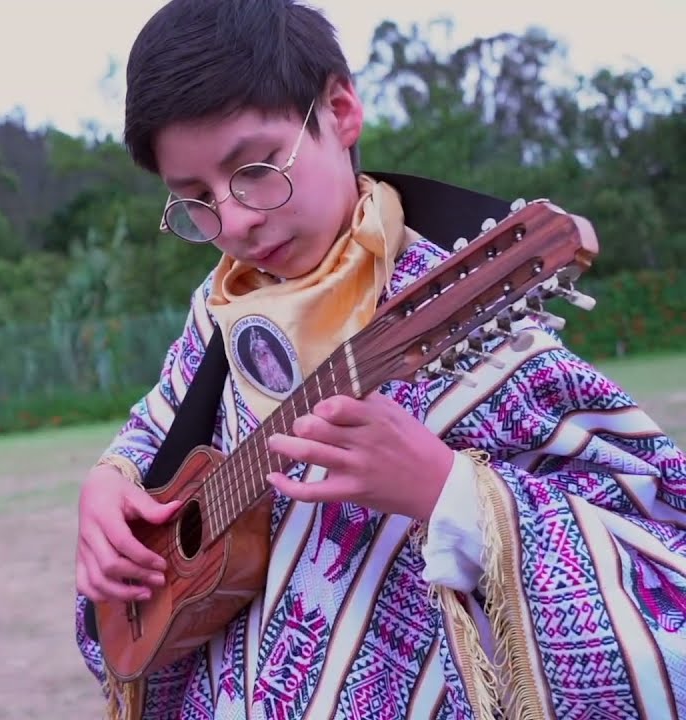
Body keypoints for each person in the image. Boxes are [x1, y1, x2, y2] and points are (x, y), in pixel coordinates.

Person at [73, 1, 686, 718]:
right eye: (195, 200)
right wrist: (110, 481)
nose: (233, 223)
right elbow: (157, 430)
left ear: (339, 111)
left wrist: (450, 493)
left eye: (255, 168)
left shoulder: (473, 325)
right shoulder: (222, 310)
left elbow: (665, 579)